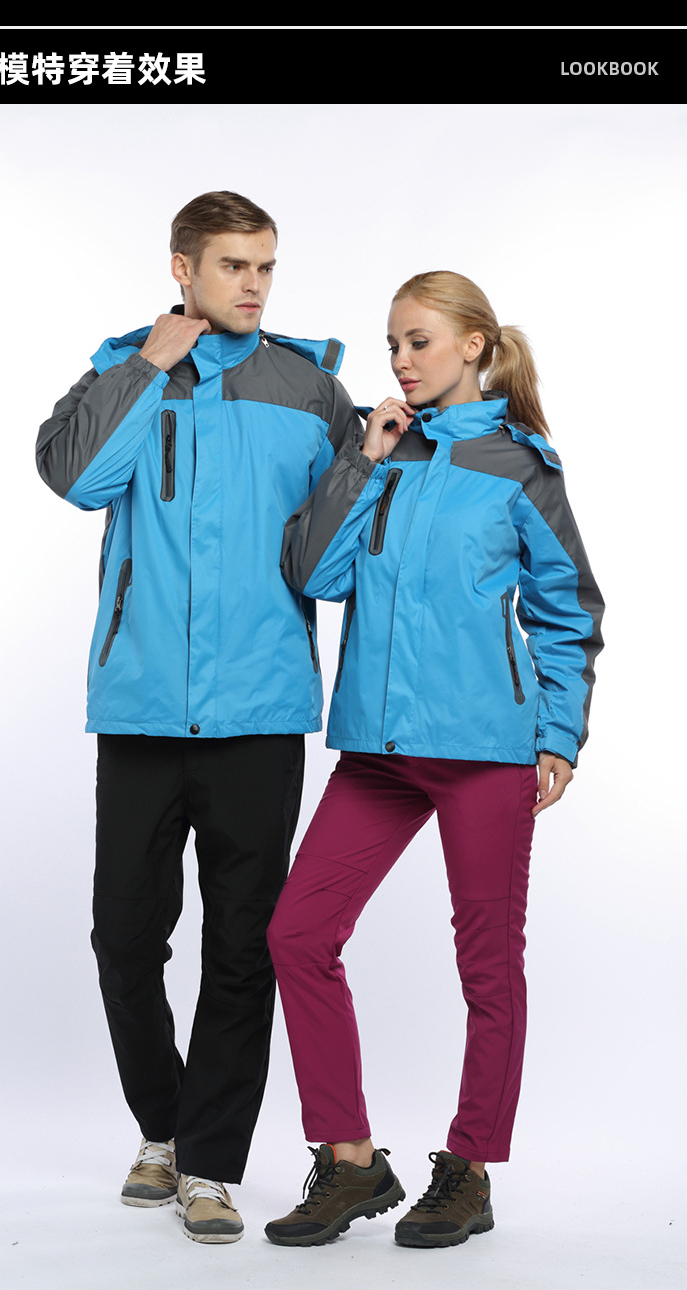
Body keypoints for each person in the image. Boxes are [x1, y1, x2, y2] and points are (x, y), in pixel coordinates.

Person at [35, 191, 362, 1244]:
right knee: (125, 939)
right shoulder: (124, 368)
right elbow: (76, 479)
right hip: (139, 706)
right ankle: (163, 1128)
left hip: (260, 711)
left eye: (265, 266)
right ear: (183, 269)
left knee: (243, 947)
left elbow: (337, 549)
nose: (254, 286)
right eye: (232, 266)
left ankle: (210, 1164)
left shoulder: (311, 392)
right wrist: (147, 364)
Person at [264, 270, 604, 1249]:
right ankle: (350, 1160)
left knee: (488, 966)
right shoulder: (385, 452)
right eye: (392, 344)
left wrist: (557, 733)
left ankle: (469, 1169)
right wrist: (361, 462)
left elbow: (567, 610)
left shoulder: (520, 466)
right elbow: (314, 574)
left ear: (472, 345)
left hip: (484, 747)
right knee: (298, 935)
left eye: (418, 341)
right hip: (378, 749)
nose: (401, 361)